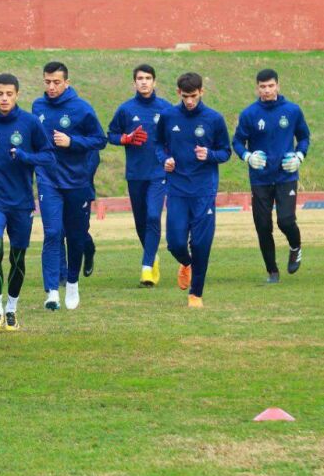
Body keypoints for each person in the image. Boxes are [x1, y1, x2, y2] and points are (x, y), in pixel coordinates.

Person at [0, 74, 55, 332]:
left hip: (21, 202)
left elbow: (48, 156)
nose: (4, 98)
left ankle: (11, 309)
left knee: (18, 258)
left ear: (17, 94)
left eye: (9, 94)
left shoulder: (30, 123)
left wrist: (26, 156)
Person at [32, 62, 106, 311]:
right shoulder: (37, 106)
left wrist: (72, 141)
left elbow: (100, 140)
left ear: (66, 82)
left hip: (76, 181)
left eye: (56, 82)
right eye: (47, 82)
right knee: (53, 232)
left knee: (75, 236)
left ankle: (72, 283)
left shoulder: (82, 108)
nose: (51, 87)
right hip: (48, 179)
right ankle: (52, 291)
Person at [156, 73, 231, 308]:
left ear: (201, 92)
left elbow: (226, 152)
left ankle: (195, 294)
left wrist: (210, 154)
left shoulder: (214, 119)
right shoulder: (168, 116)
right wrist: (165, 159)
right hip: (177, 188)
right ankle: (186, 263)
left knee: (201, 244)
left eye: (194, 96)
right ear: (179, 93)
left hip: (204, 190)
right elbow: (158, 145)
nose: (189, 101)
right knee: (175, 243)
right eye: (186, 96)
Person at [233, 69, 310, 282]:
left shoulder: (292, 110)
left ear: (278, 85)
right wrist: (248, 156)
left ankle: (295, 246)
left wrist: (299, 156)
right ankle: (272, 271)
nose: (267, 90)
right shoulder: (249, 114)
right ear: (257, 88)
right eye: (263, 87)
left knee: (285, 220)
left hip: (286, 176)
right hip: (260, 178)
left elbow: (304, 137)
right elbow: (237, 141)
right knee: (263, 225)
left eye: (270, 86)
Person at [107, 64, 173, 287]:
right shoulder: (126, 109)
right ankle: (152, 256)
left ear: (154, 82)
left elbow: (174, 136)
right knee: (140, 222)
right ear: (134, 83)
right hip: (135, 173)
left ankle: (146, 267)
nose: (144, 82)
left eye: (148, 78)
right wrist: (124, 139)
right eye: (140, 78)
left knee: (153, 216)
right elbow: (111, 134)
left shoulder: (166, 109)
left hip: (158, 172)